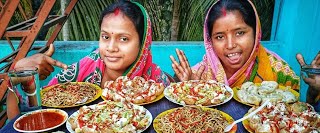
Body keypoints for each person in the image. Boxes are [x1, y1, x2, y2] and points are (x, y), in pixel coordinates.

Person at [7, 0, 171, 120]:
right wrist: (20, 75)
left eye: (123, 39)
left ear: (143, 43)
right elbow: (25, 119)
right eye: (105, 37)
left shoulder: (155, 82)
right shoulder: (81, 73)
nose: (111, 47)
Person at [170, 0, 300, 89]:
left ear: (256, 32)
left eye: (240, 33)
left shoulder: (278, 72)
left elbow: (303, 109)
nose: (230, 45)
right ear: (210, 41)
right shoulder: (199, 75)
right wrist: (188, 91)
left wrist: (312, 93)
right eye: (220, 37)